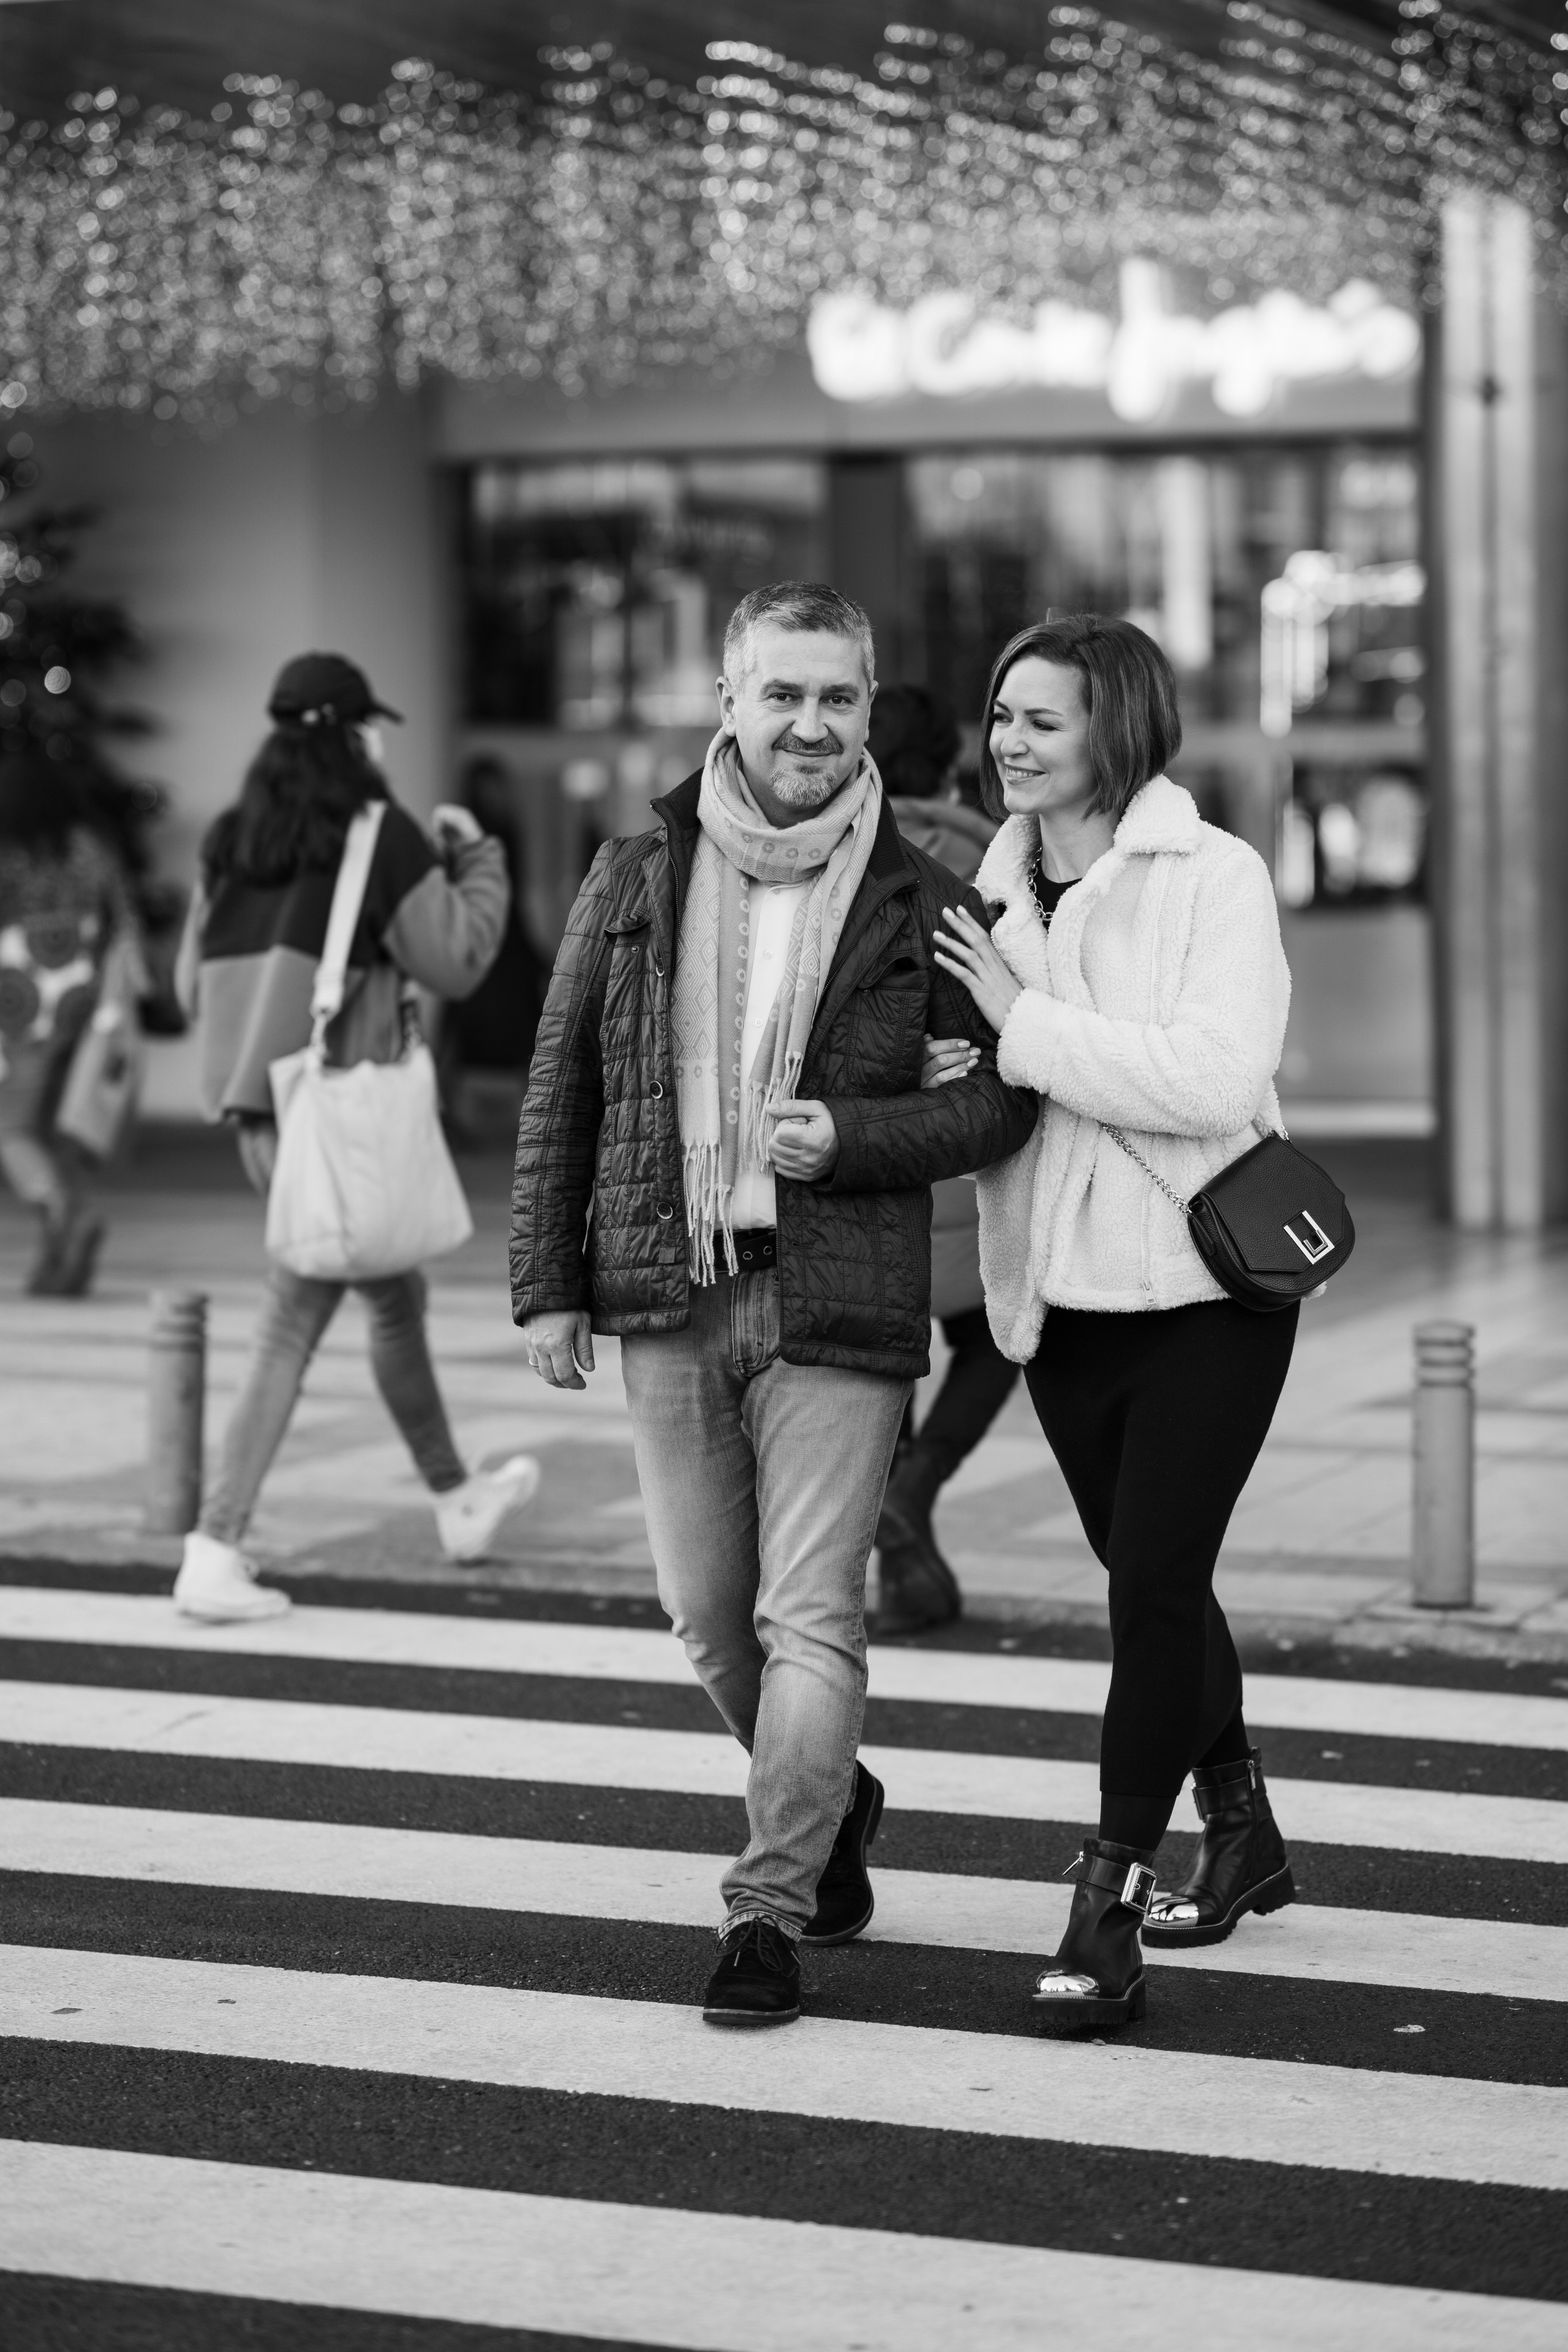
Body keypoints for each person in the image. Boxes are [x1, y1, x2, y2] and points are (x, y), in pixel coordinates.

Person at [511, 582, 1034, 2027]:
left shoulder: (924, 901)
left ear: (867, 706)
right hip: (668, 1289)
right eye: (782, 693)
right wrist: (546, 1284)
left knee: (814, 1619)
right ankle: (831, 1794)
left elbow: (1005, 1095)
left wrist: (854, 1137)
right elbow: (567, 1081)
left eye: (838, 698)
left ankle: (766, 1905)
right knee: (704, 1616)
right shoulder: (634, 870)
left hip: (838, 1302)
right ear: (728, 700)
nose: (810, 724)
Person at [932, 613, 1297, 2031]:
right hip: (1058, 1296)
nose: (1005, 741)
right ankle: (1242, 1822)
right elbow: (995, 1085)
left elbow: (1212, 1079)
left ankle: (1108, 1896)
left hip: (1203, 1290)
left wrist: (1020, 1024)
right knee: (1152, 1580)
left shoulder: (1211, 875)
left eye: (1039, 718)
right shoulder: (992, 878)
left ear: (1118, 727)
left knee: (1146, 1586)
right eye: (999, 714)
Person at [173, 652, 538, 1624]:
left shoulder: (228, 838)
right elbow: (457, 959)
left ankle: (457, 1497)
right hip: (337, 1115)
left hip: (264, 1118)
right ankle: (214, 1545)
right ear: (351, 734)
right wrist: (479, 858)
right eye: (370, 727)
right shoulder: (380, 836)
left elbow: (186, 987)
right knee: (295, 1319)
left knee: (392, 1300)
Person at [870, 684, 1020, 1634]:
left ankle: (903, 1545)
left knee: (886, 1358)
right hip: (974, 1149)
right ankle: (915, 1505)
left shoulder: (847, 859)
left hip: (874, 1150)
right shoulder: (988, 855)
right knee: (997, 1334)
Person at [0, 747, 137, 1295]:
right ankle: (56, 1259)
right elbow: (121, 922)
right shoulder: (89, 849)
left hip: (18, 1002)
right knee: (54, 1130)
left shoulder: (8, 852)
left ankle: (65, 1213)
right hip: (82, 1000)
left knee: (11, 1128)